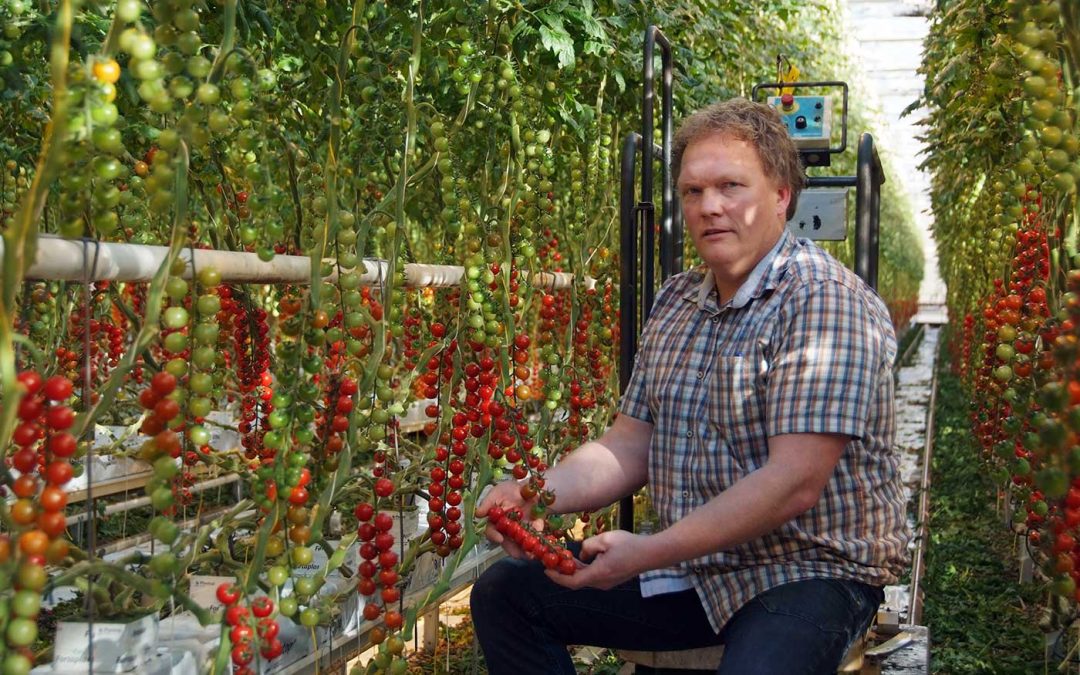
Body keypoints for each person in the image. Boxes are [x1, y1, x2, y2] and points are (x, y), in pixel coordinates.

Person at [471, 97, 911, 675]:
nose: (710, 208)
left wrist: (647, 552)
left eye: (731, 186)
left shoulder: (823, 301)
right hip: (700, 569)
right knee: (507, 593)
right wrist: (536, 490)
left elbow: (793, 484)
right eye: (693, 192)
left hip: (809, 571)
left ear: (781, 196)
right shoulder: (677, 301)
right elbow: (627, 446)